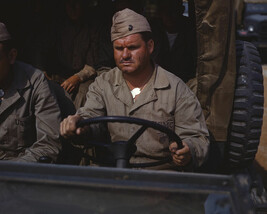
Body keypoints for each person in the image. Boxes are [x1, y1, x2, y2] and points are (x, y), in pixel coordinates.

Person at [60, 8, 209, 170]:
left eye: (132, 47)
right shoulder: (103, 84)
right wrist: (80, 125)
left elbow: (196, 137)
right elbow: (91, 115)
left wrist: (188, 150)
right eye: (118, 48)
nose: (124, 55)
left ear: (150, 46)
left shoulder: (176, 89)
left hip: (159, 177)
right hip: (112, 171)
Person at [0, 22, 61, 162]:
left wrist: (10, 170)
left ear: (11, 56)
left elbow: (49, 145)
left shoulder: (36, 82)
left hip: (20, 172)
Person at [44, 0, 96, 109]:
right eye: (69, 4)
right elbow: (43, 52)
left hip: (83, 75)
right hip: (59, 73)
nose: (73, 8)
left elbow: (92, 65)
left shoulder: (91, 29)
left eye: (77, 3)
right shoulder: (56, 27)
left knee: (85, 91)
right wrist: (43, 71)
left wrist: (77, 77)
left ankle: (75, 121)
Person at [151, 0, 196, 83]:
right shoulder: (154, 32)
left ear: (181, 10)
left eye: (174, 10)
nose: (170, 15)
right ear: (161, 13)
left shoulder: (191, 33)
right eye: (166, 11)